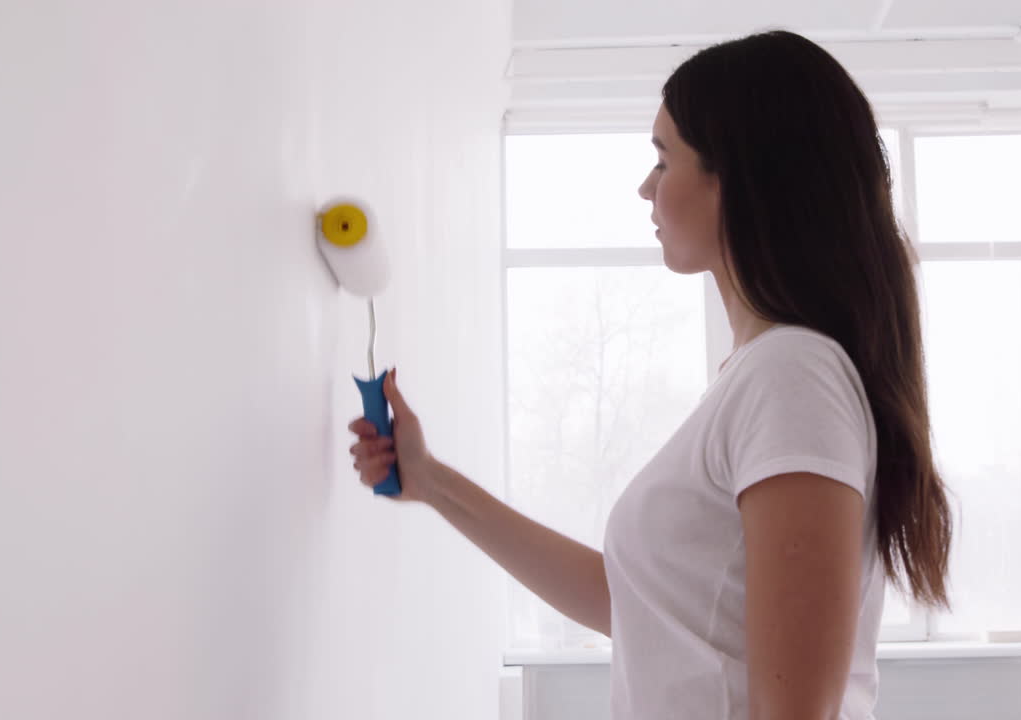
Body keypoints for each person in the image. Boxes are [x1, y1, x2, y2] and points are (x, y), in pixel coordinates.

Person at [348, 29, 953, 720]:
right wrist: (432, 483)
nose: (646, 187)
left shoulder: (793, 376)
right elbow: (634, 605)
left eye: (664, 161)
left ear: (741, 180)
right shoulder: (764, 375)